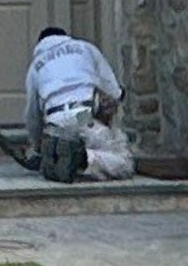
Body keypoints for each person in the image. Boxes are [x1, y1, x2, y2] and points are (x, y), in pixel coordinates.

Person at [23, 25, 124, 185]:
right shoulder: (86, 48)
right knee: (124, 162)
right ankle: (82, 158)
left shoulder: (35, 66)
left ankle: (58, 155)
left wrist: (37, 147)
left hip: (54, 122)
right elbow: (114, 92)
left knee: (62, 134)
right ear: (65, 37)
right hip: (83, 115)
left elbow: (32, 116)